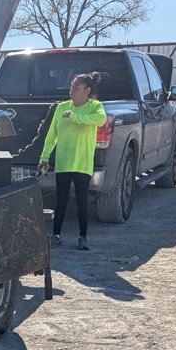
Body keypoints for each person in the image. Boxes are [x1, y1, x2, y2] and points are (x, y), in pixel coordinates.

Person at [37, 72, 107, 250]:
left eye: (77, 87)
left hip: (82, 164)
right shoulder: (61, 107)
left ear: (87, 91)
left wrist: (76, 117)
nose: (72, 90)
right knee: (61, 200)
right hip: (64, 162)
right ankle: (56, 235)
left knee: (82, 201)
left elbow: (101, 119)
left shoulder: (94, 106)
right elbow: (52, 136)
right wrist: (44, 157)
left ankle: (83, 237)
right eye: (72, 86)